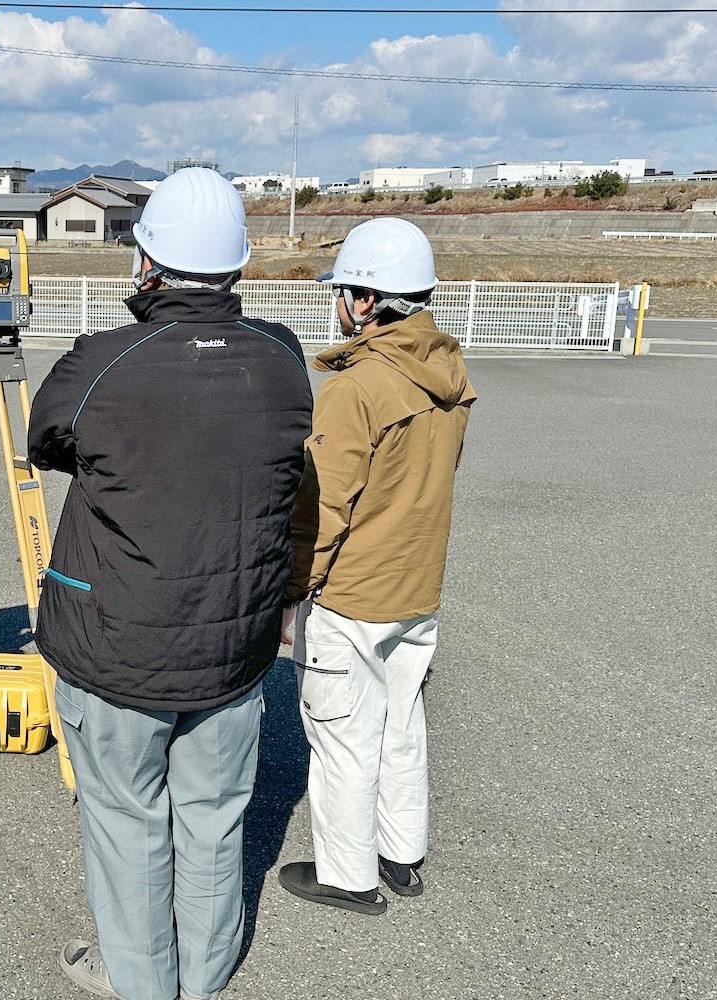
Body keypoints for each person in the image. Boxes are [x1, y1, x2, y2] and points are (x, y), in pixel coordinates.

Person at [28, 167, 313, 1000]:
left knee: (127, 821)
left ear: (146, 262)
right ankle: (208, 968)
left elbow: (46, 441)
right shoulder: (282, 357)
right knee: (216, 818)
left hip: (121, 645)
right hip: (235, 644)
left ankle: (142, 977)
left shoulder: (104, 361)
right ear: (236, 264)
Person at [279, 217, 476, 914]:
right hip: (417, 586)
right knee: (401, 725)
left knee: (343, 734)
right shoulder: (450, 376)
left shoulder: (358, 388)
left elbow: (320, 507)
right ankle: (401, 853)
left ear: (365, 301)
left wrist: (292, 592)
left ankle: (347, 875)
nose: (337, 304)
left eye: (343, 291)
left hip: (353, 592)